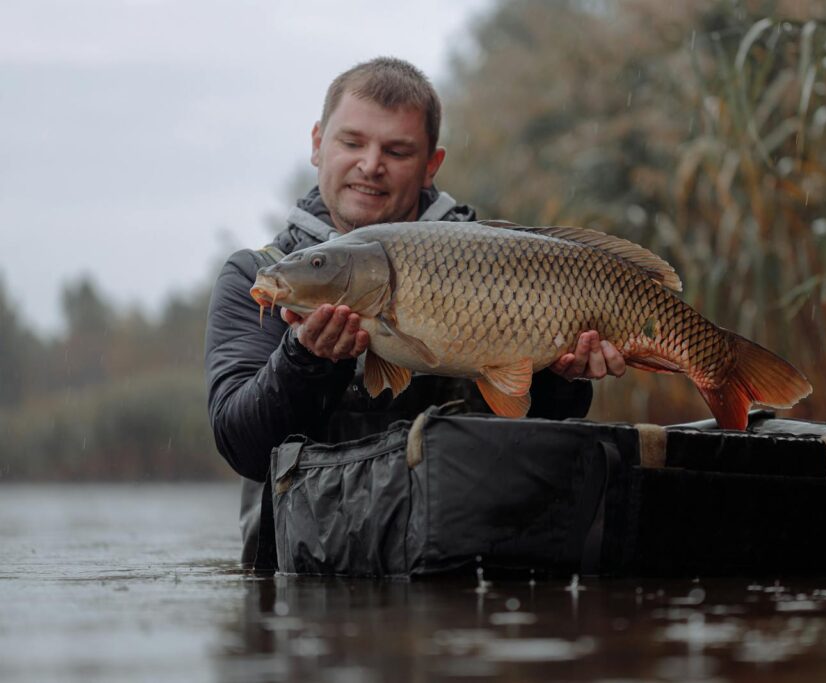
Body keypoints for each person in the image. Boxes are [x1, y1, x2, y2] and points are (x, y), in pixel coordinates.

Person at [204, 57, 625, 568]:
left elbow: (539, 431)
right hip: (307, 579)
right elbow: (243, 448)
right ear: (318, 143)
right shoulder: (262, 277)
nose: (371, 164)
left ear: (431, 164)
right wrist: (304, 359)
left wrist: (565, 376)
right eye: (352, 142)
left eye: (397, 150)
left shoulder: (499, 258)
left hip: (470, 570)